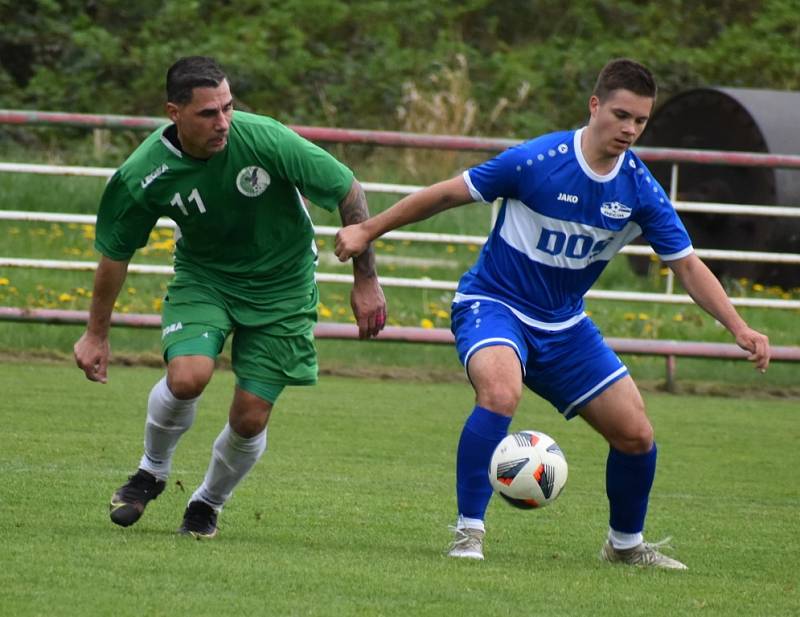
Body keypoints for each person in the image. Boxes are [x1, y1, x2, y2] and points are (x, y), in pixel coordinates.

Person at [334, 58, 770, 568]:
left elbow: (688, 266)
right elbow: (447, 194)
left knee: (636, 434)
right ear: (595, 106)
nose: (629, 129)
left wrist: (738, 325)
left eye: (641, 121)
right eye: (621, 115)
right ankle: (468, 533)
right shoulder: (538, 160)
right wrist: (368, 230)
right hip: (493, 304)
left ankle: (625, 546)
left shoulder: (639, 189)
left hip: (564, 327)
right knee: (500, 392)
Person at [74, 56, 386, 539]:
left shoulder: (265, 138)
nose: (223, 122)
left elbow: (347, 188)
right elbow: (116, 253)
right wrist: (96, 334)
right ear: (174, 112)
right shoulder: (143, 173)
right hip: (206, 278)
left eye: (228, 108)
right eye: (208, 113)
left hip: (284, 287)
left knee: (250, 415)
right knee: (187, 376)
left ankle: (207, 503)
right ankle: (151, 472)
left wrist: (366, 280)